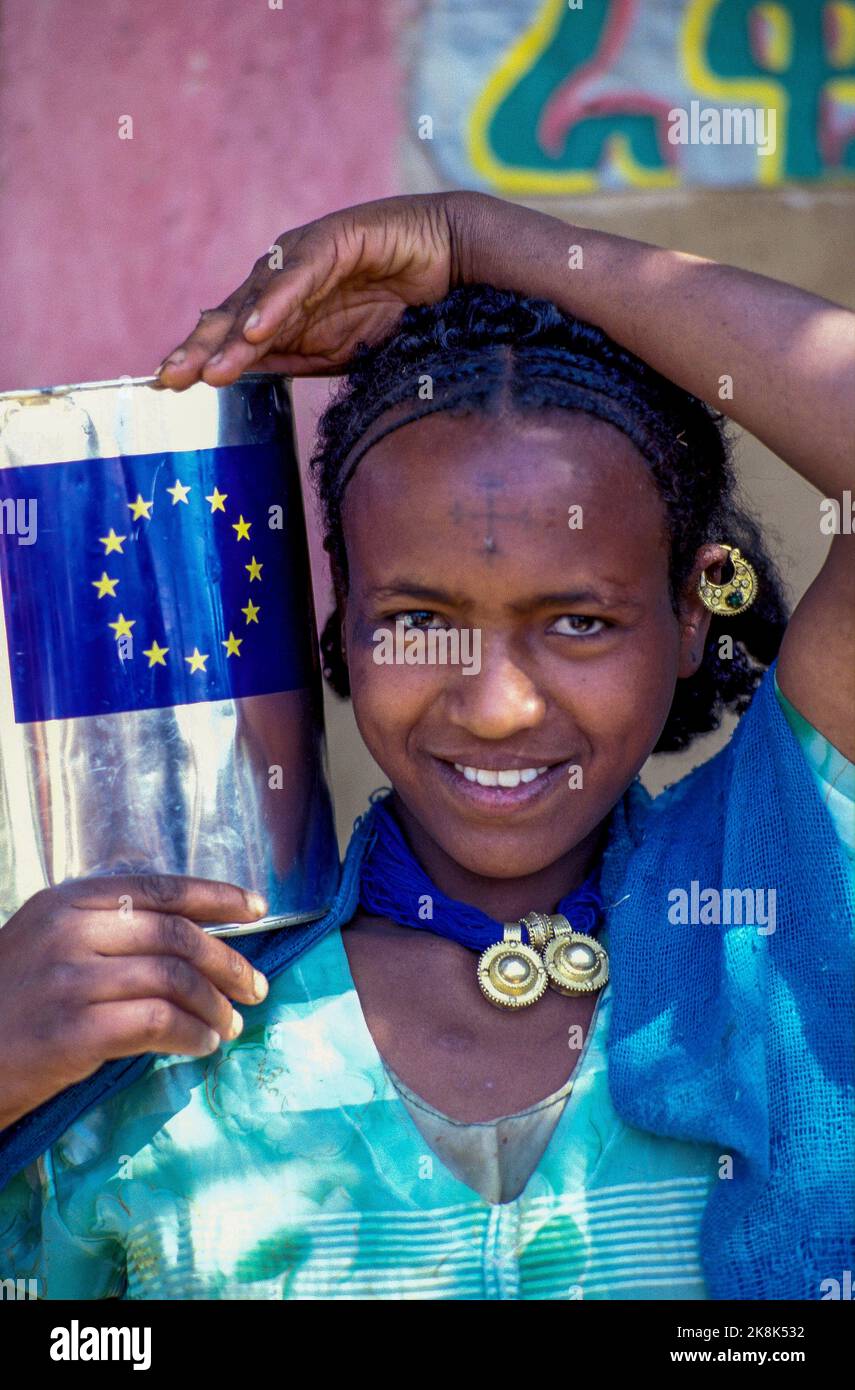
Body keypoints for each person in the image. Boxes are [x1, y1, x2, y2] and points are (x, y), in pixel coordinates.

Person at [0, 192, 852, 1300]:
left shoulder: (767, 891)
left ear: (692, 613)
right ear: (339, 619)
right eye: (418, 621)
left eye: (579, 622)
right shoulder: (167, 1012)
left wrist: (477, 243)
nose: (495, 705)